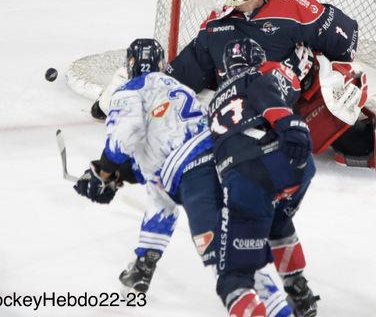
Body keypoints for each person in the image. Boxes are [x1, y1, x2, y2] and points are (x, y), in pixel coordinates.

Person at [72, 38, 294, 317]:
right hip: (227, 163)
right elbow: (159, 185)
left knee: (223, 261)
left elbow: (125, 136)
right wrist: (145, 260)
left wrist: (102, 172)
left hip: (197, 174)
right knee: (237, 247)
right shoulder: (180, 89)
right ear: (164, 64)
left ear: (129, 64)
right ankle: (281, 309)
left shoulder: (130, 90)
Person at [166, 0, 376, 172]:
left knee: (356, 143)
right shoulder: (214, 27)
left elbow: (342, 36)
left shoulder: (292, 4)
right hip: (251, 109)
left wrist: (338, 72)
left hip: (302, 98)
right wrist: (159, 87)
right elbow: (188, 69)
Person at [208, 37, 319, 317]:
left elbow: (261, 92)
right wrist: (290, 124)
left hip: (243, 178)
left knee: (235, 275)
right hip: (290, 166)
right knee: (279, 219)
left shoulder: (212, 104)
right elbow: (275, 95)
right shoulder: (263, 72)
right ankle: (298, 289)